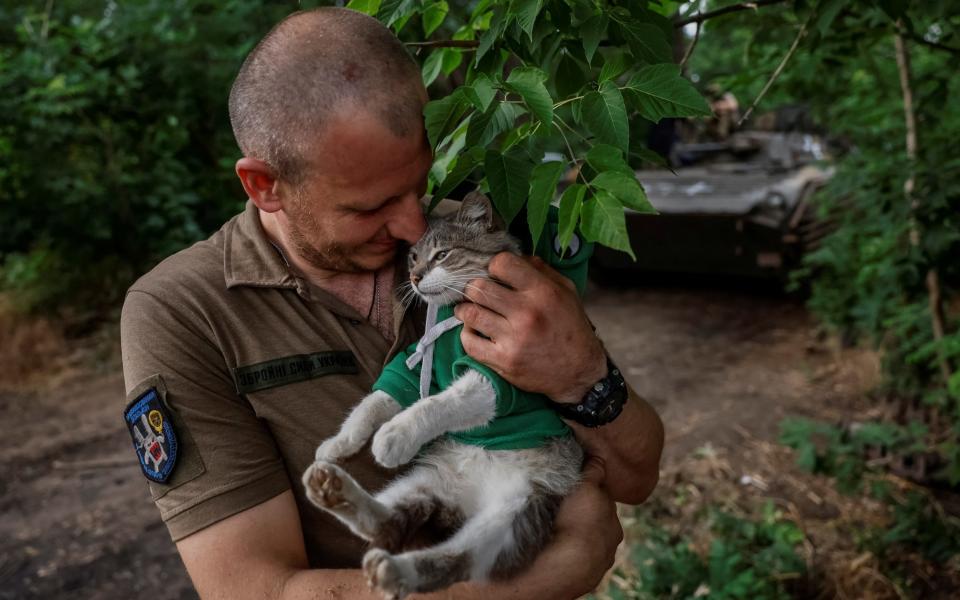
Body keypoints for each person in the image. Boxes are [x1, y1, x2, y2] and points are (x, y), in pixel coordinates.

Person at [120, 7, 664, 599]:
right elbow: (250, 589)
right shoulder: (183, 311)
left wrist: (585, 374)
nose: (412, 225)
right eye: (368, 207)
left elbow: (636, 477)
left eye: (418, 186)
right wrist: (538, 582)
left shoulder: (472, 243)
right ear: (264, 185)